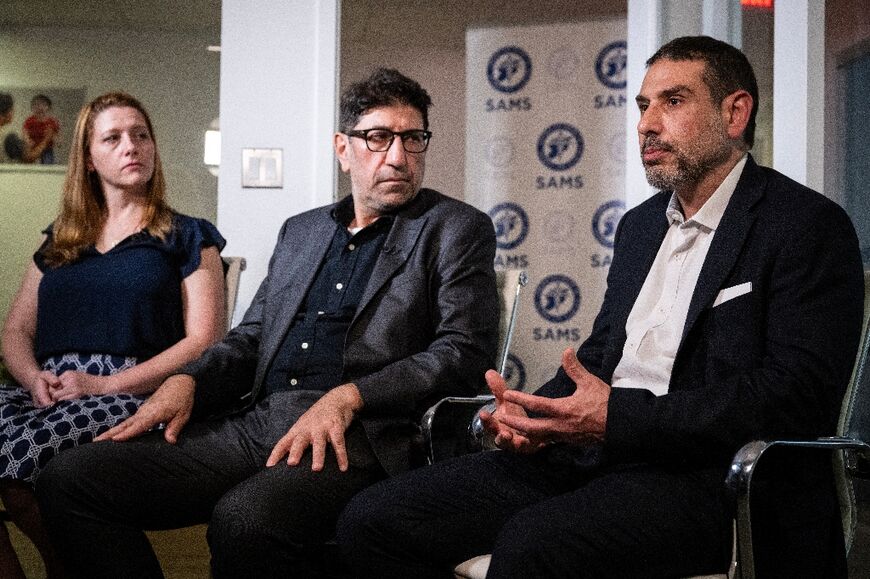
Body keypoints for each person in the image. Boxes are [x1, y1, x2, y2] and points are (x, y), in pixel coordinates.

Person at [337, 36, 866, 579]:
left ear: (735, 113)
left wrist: (618, 419)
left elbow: (796, 394)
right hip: (595, 457)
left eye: (672, 102)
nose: (646, 124)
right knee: (374, 519)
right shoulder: (639, 227)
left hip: (710, 476)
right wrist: (532, 415)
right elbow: (601, 356)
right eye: (643, 106)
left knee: (535, 545)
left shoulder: (804, 225)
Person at [35, 68, 499, 579]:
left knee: (245, 519)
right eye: (378, 138)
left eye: (412, 139)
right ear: (342, 148)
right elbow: (251, 338)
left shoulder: (455, 228)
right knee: (70, 478)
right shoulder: (301, 231)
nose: (397, 157)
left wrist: (351, 396)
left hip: (360, 435)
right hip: (256, 423)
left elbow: (462, 351)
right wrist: (187, 379)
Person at [0, 91, 226, 579]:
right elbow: (16, 329)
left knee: (21, 468)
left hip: (133, 389)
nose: (133, 147)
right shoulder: (61, 238)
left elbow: (204, 340)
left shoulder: (188, 235)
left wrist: (101, 385)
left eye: (141, 135)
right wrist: (33, 376)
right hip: (47, 388)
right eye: (114, 138)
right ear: (87, 158)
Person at [0, 92, 55, 164]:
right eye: (12, 109)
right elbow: (29, 158)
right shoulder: (8, 137)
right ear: (8, 112)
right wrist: (46, 140)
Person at [23, 94, 61, 164]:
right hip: (34, 146)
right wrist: (27, 140)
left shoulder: (52, 122)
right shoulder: (30, 120)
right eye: (36, 105)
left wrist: (57, 141)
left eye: (43, 105)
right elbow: (25, 131)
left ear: (48, 108)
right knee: (29, 160)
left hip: (47, 148)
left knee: (48, 162)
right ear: (32, 108)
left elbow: (56, 135)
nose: (39, 107)